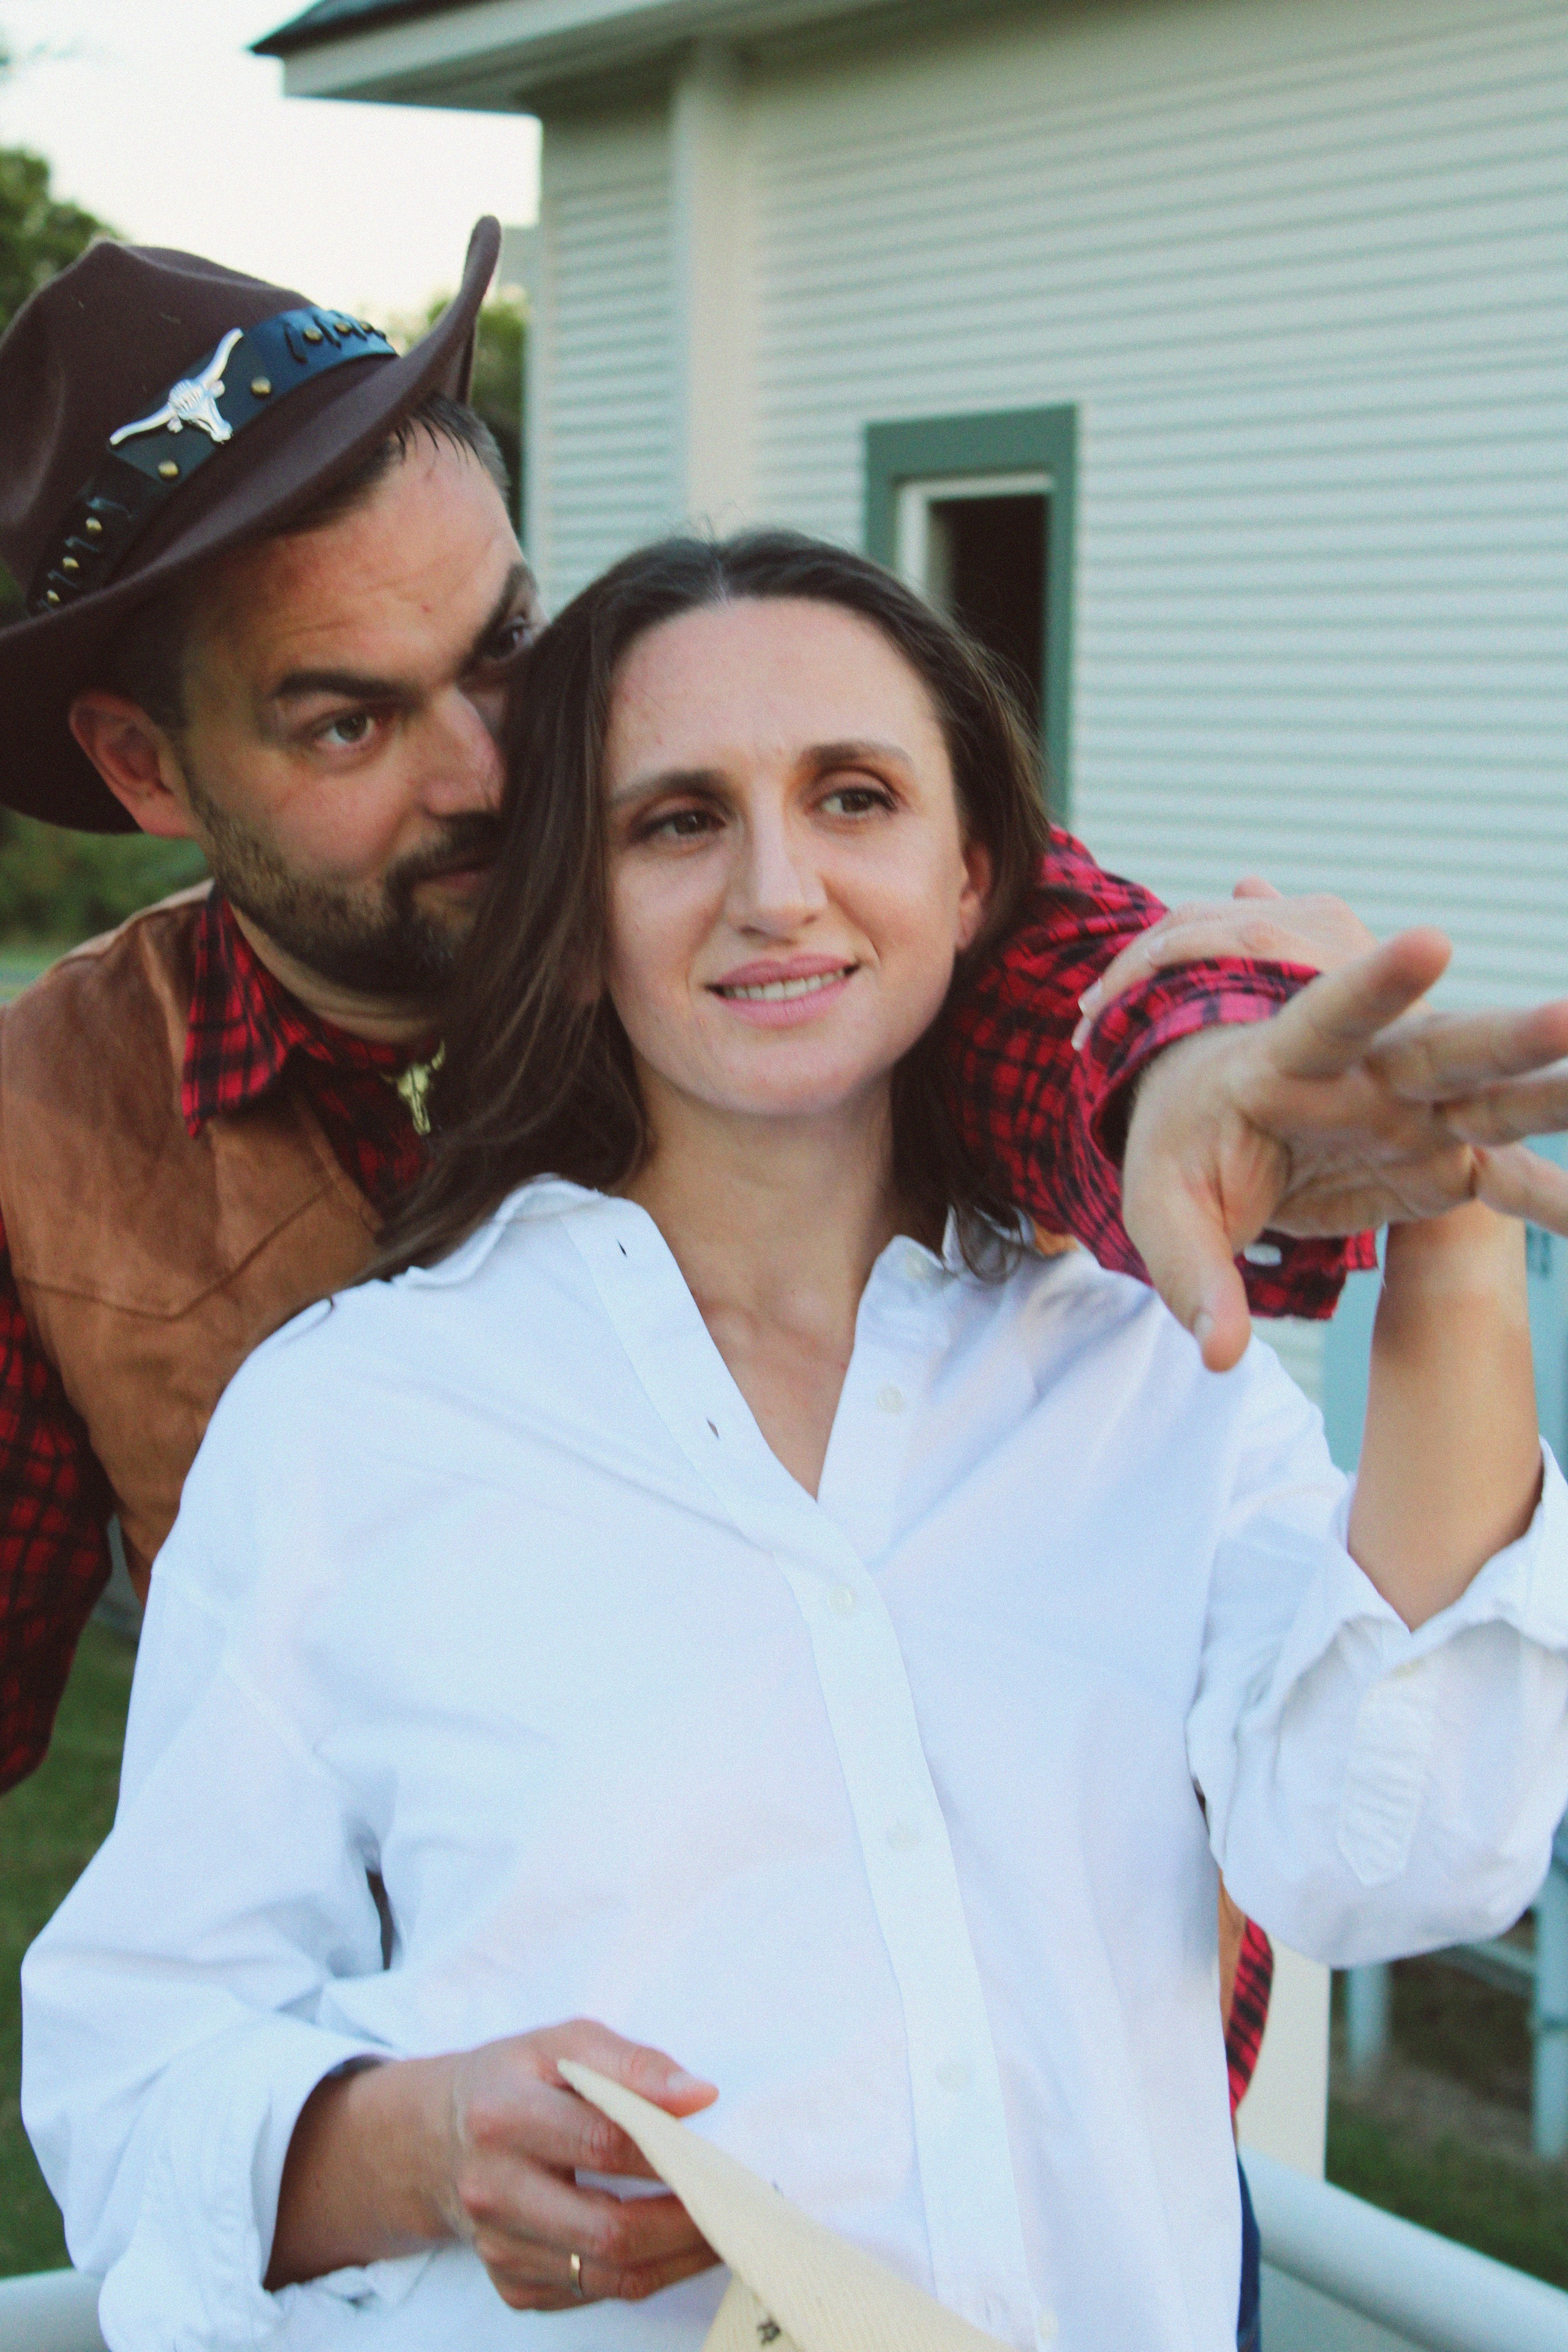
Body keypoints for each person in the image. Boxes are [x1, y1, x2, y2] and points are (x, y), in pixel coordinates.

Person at [24, 532, 1568, 2352]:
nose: (779, 889)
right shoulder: (356, 1418)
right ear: (573, 913)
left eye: (854, 797)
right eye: (675, 820)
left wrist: (1451, 1235)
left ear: (975, 871)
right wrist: (418, 2146)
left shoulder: (1146, 1363)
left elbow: (1398, 1863)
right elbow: (132, 2082)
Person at [0, 215, 1389, 1822]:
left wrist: (1205, 1079)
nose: (484, 771)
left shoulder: (766, 929)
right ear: (143, 767)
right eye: (347, 722)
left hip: (1007, 2035)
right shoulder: (45, 1126)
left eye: (506, 646)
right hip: (419, 2054)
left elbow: (1077, 999)